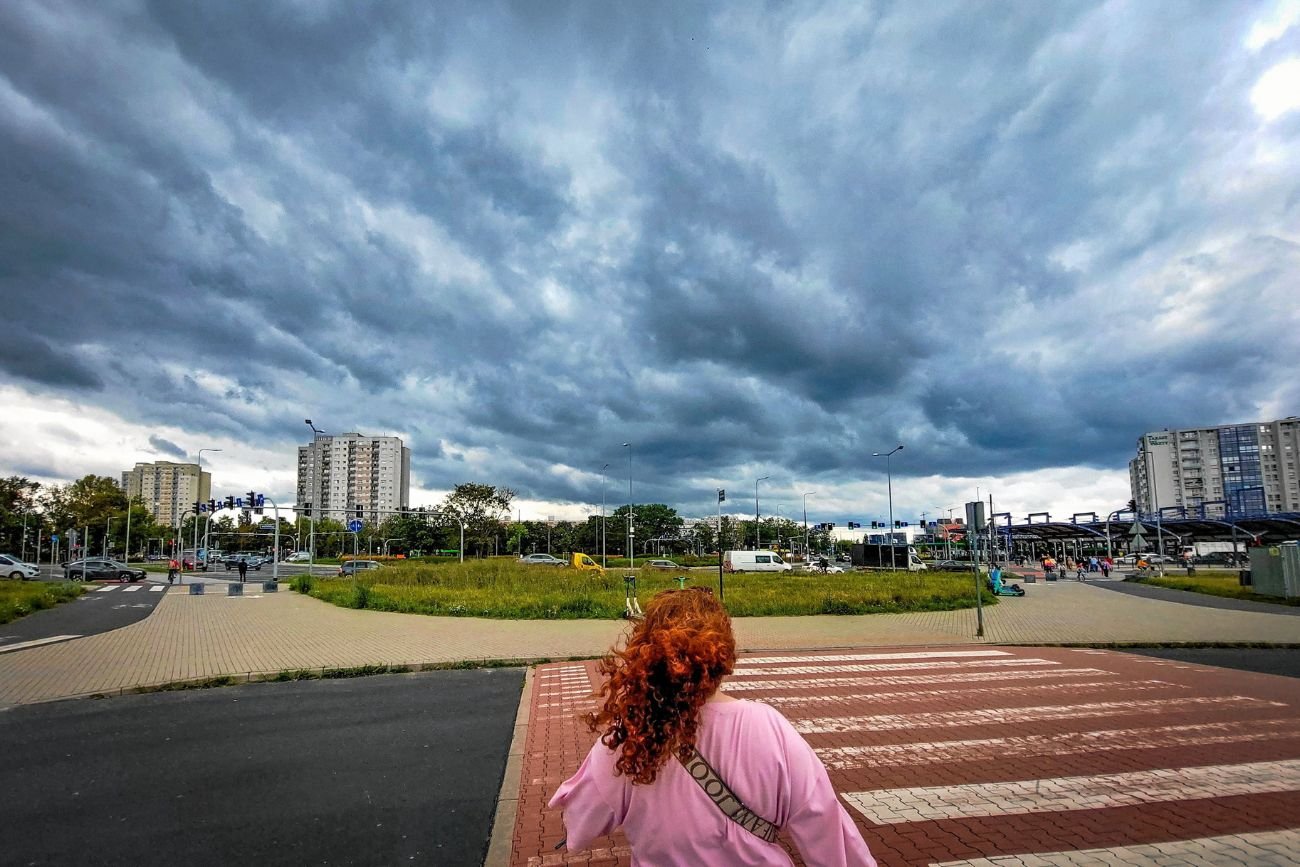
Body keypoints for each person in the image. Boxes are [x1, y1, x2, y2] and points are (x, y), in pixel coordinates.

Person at [550, 587, 876, 866]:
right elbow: (828, 831)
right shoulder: (769, 728)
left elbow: (579, 821)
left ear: (649, 655)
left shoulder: (632, 736)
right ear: (722, 654)